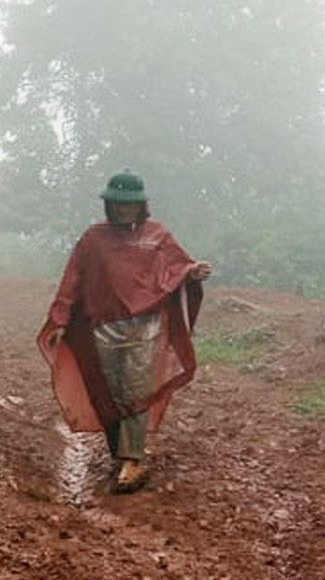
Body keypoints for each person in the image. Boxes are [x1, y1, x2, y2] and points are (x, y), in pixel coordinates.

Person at [38, 170, 212, 493]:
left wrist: (192, 272)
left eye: (129, 205)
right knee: (111, 392)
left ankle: (134, 458)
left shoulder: (157, 235)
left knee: (136, 389)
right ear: (109, 205)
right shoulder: (93, 239)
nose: (123, 210)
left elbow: (177, 266)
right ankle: (123, 452)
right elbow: (73, 278)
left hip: (146, 325)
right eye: (117, 204)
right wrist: (60, 319)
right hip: (104, 327)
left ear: (141, 206)